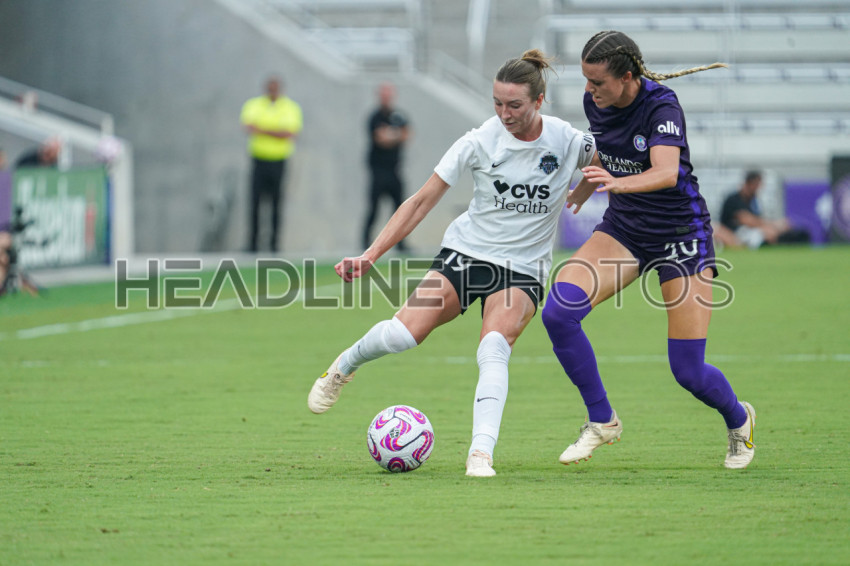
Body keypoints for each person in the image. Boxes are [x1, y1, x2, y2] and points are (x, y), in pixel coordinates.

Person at [307, 49, 598, 477]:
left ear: (539, 101)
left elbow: (609, 159)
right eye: (497, 103)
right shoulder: (479, 140)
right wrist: (371, 255)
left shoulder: (568, 140)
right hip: (467, 253)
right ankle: (343, 367)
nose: (504, 114)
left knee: (493, 348)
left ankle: (480, 453)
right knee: (403, 335)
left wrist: (585, 190)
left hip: (522, 269)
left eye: (515, 105)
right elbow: (420, 201)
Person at [544, 30, 756, 470]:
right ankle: (602, 419)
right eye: (586, 80)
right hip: (625, 230)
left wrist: (616, 184)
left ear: (626, 77)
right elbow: (607, 153)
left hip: (682, 235)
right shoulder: (596, 101)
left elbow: (665, 172)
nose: (589, 89)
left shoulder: (662, 106)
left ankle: (739, 419)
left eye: (597, 81)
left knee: (688, 371)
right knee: (559, 313)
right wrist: (585, 187)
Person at [240, 76, 303, 252]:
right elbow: (249, 127)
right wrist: (276, 132)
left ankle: (274, 244)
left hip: (278, 161)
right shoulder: (254, 104)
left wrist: (263, 130)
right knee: (255, 203)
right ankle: (253, 244)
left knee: (276, 203)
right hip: (259, 160)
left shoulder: (290, 107)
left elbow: (289, 133)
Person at [363, 82, 411, 251]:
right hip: (378, 170)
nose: (386, 97)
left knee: (400, 209)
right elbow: (380, 139)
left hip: (394, 169)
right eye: (383, 94)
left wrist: (390, 134)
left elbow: (406, 135)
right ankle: (365, 243)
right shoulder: (375, 117)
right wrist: (395, 134)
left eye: (388, 94)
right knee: (373, 208)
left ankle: (401, 243)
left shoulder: (399, 115)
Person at [720, 170, 810, 248]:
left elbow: (756, 219)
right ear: (749, 183)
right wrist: (774, 225)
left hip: (749, 231)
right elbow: (747, 220)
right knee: (768, 233)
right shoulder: (734, 199)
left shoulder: (753, 201)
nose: (758, 188)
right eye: (757, 185)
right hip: (735, 233)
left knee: (772, 231)